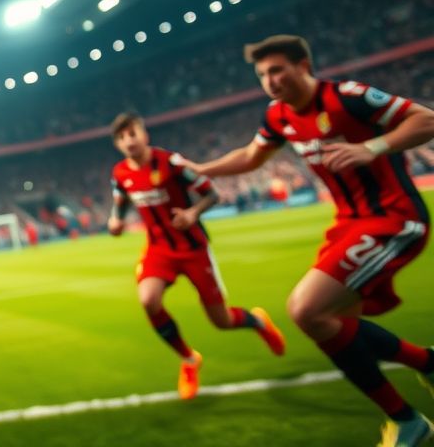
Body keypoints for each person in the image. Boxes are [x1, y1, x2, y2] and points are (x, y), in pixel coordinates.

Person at [176, 35, 434, 446]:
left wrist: (373, 146)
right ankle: (427, 364)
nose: (270, 80)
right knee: (334, 324)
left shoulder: (348, 98)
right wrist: (201, 167)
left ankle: (407, 421)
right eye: (262, 74)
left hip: (393, 218)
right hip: (348, 224)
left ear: (303, 65)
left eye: (277, 69)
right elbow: (250, 156)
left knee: (306, 310)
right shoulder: (278, 116)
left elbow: (426, 118)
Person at [107, 112, 285, 400]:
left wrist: (192, 213)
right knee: (148, 299)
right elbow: (119, 205)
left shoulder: (171, 163)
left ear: (144, 134)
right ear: (117, 144)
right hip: (158, 249)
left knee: (221, 321)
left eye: (133, 133)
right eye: (122, 137)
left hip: (192, 249)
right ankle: (189, 359)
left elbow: (211, 194)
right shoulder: (120, 174)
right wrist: (115, 221)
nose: (129, 141)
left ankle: (258, 322)